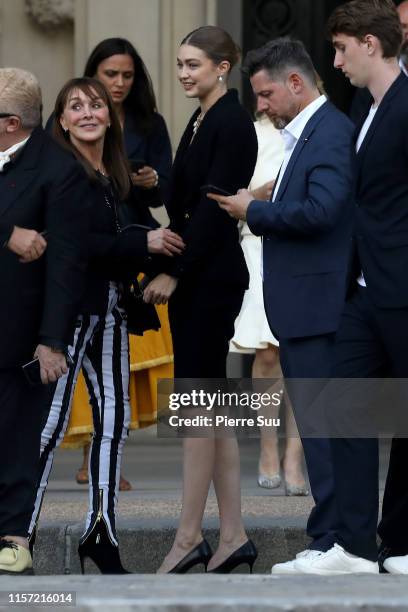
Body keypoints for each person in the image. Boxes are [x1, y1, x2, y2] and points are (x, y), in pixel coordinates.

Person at [209, 38, 354, 574]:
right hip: (302, 305)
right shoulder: (309, 131)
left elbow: (322, 212)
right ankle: (330, 536)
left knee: (324, 430)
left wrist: (255, 209)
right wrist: (268, 198)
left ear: (296, 83)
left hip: (319, 306)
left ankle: (334, 541)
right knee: (322, 429)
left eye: (266, 94)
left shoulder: (328, 130)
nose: (262, 106)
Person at [27, 77, 184, 574]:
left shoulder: (117, 175)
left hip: (113, 311)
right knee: (48, 428)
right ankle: (17, 532)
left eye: (96, 105)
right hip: (67, 315)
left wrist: (153, 223)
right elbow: (75, 245)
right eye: (76, 106)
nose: (88, 113)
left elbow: (146, 223)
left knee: (113, 425)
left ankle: (102, 533)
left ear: (110, 117)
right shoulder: (56, 171)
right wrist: (145, 245)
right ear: (62, 120)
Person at [293, 0, 408, 576]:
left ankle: (402, 542)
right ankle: (359, 547)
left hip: (403, 285)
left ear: (369, 43)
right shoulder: (366, 104)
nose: (334, 61)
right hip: (364, 289)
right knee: (348, 409)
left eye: (340, 48)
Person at [143, 26, 258, 573]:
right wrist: (150, 186)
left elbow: (214, 208)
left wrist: (176, 273)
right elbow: (185, 195)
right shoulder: (202, 115)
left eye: (194, 64)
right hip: (203, 273)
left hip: (210, 278)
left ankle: (188, 538)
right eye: (181, 64)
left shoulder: (232, 121)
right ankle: (233, 535)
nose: (185, 73)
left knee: (196, 411)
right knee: (215, 412)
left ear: (223, 66)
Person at [55, 38, 174, 490]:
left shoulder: (150, 122)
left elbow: (165, 192)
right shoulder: (67, 128)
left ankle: (107, 462)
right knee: (76, 365)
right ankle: (80, 461)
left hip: (137, 244)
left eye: (126, 75)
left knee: (118, 372)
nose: (119, 84)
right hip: (93, 258)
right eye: (110, 75)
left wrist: (151, 180)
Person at [0, 68, 89, 575]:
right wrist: (8, 230)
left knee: (17, 437)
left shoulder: (59, 171)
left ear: (12, 122)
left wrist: (52, 341)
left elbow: (67, 265)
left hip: (21, 333)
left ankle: (13, 539)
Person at [229, 115, 308, 495]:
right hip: (257, 247)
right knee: (267, 352)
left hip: (303, 247)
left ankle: (295, 453)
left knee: (301, 353)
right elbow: (229, 198)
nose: (264, 101)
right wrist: (260, 196)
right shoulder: (251, 134)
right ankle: (267, 447)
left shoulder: (318, 128)